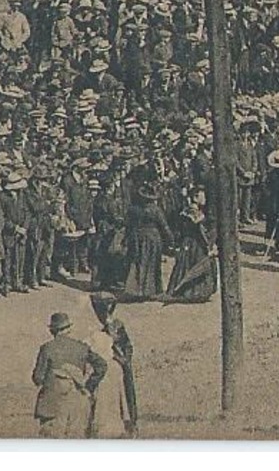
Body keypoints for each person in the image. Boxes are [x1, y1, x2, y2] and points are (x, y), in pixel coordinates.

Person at [32, 311, 107, 439]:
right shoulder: (81, 347)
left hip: (52, 403)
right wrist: (89, 386)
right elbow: (102, 365)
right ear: (69, 329)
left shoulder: (47, 348)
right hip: (77, 401)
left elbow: (38, 378)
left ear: (52, 331)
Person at [87, 293, 138, 438]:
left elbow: (124, 346)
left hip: (117, 366)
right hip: (117, 365)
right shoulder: (110, 325)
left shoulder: (115, 325)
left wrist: (121, 358)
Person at [165, 190, 216, 303]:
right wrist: (209, 245)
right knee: (198, 264)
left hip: (186, 242)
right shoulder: (196, 214)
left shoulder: (185, 210)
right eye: (203, 196)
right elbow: (201, 232)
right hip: (195, 243)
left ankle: (180, 290)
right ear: (195, 197)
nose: (205, 199)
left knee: (184, 265)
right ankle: (194, 292)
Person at [121, 185, 170, 300]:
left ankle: (137, 289)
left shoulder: (134, 209)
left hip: (138, 237)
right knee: (153, 263)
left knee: (139, 263)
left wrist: (127, 238)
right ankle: (151, 290)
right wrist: (170, 239)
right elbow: (164, 226)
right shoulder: (155, 210)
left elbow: (128, 224)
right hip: (153, 238)